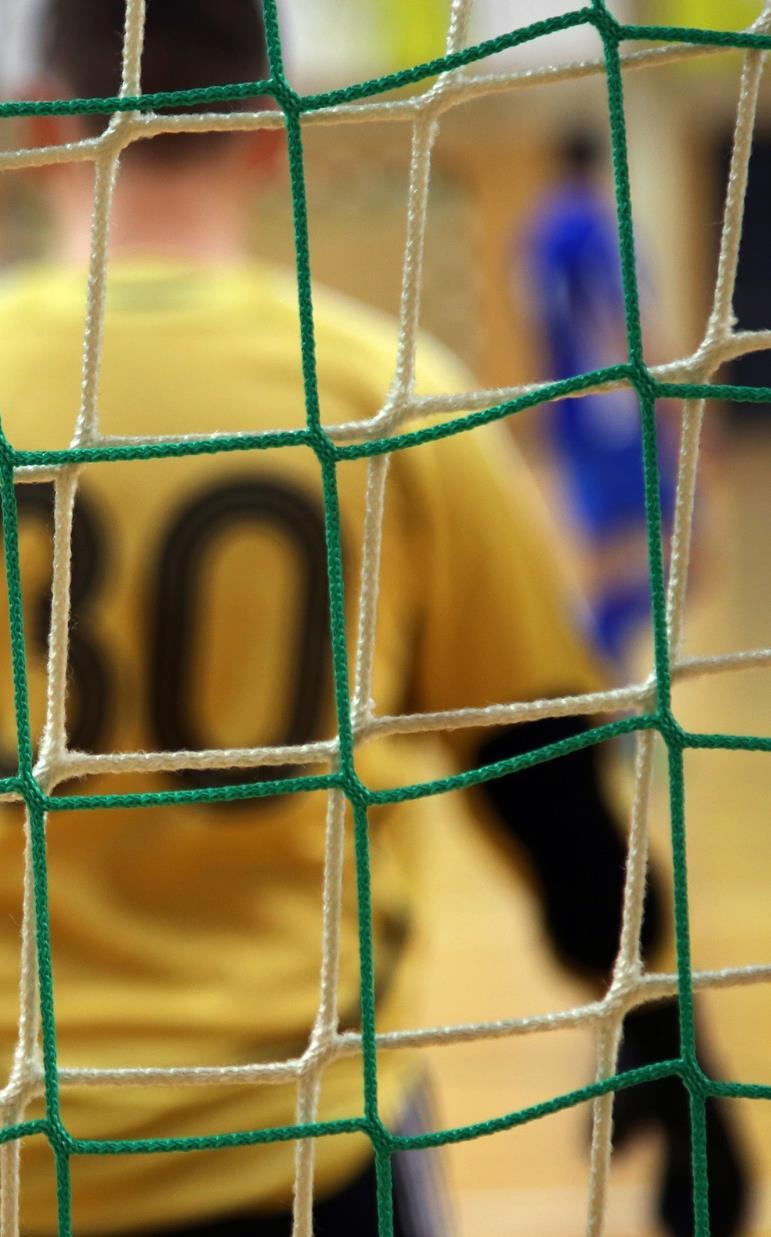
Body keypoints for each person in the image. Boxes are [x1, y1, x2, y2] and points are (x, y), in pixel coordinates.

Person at [0, 2, 748, 1233]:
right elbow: (549, 778)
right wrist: (664, 1022)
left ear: (46, 119)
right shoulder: (384, 395)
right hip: (304, 1148)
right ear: (267, 136)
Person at [524, 132, 679, 666]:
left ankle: (601, 674)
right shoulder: (599, 230)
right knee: (678, 550)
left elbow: (534, 328)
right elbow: (625, 321)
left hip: (570, 412)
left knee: (615, 555)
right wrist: (675, 400)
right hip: (619, 414)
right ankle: (592, 666)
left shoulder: (536, 235)